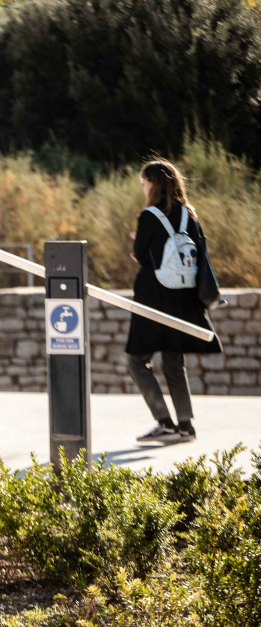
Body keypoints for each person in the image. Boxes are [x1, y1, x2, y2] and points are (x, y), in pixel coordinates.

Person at [127, 159, 222, 442]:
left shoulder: (149, 216)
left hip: (153, 298)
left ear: (153, 183)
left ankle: (164, 422)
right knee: (173, 364)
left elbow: (142, 257)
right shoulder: (189, 215)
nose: (143, 187)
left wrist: (138, 243)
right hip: (183, 299)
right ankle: (185, 426)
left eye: (144, 182)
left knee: (136, 363)